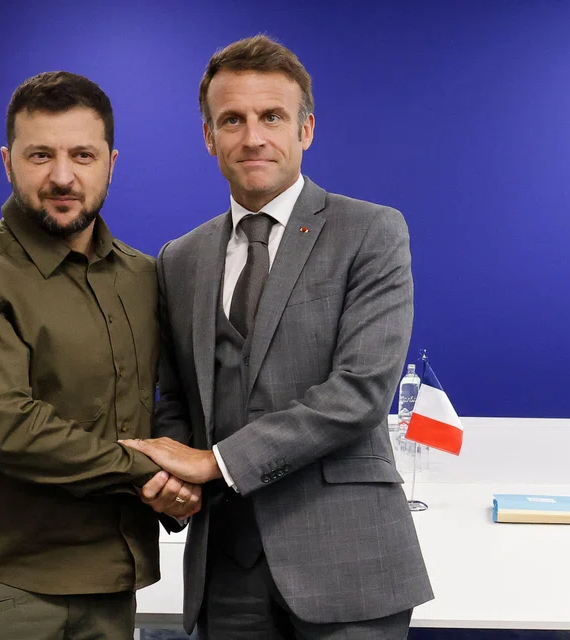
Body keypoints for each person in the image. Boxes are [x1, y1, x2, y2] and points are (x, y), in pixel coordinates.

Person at [122, 36, 433, 639]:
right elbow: (176, 398)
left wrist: (212, 463)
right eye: (231, 120)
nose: (253, 137)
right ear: (209, 137)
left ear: (305, 129)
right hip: (226, 566)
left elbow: (361, 391)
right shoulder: (179, 259)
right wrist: (171, 477)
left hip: (349, 564)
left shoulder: (370, 232)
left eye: (272, 116)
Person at [0, 71, 198, 640]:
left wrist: (179, 472)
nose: (62, 176)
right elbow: (0, 426)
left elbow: (157, 400)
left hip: (110, 583)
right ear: (8, 161)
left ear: (111, 163)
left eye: (82, 155)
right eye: (40, 154)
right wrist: (149, 472)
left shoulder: (142, 277)